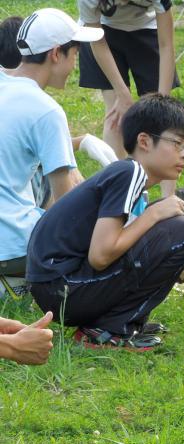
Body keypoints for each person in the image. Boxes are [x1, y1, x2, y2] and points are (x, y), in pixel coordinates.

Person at [26, 94, 184, 352]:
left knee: (176, 234)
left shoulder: (132, 180)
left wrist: (183, 264)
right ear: (144, 141)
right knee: (181, 230)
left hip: (59, 289)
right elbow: (101, 256)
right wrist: (154, 214)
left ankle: (118, 324)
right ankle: (106, 330)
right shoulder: (130, 173)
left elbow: (127, 250)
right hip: (62, 290)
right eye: (178, 143)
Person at [0, 8, 103, 279]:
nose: (74, 66)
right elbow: (66, 206)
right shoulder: (47, 110)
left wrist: (78, 143)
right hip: (11, 248)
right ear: (56, 54)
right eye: (75, 55)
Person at [77, 0, 179, 161]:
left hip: (148, 27)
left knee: (163, 120)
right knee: (116, 114)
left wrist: (162, 101)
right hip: (103, 32)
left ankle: (168, 186)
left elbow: (166, 45)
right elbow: (96, 40)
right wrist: (122, 92)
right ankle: (116, 181)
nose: (122, 4)